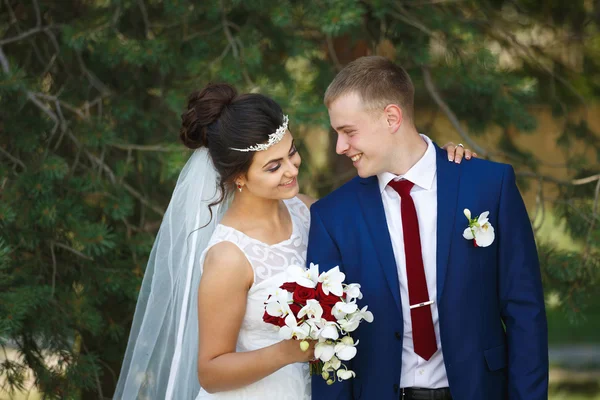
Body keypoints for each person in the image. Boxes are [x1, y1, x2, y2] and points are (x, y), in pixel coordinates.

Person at [113, 82, 474, 400]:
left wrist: (435, 163)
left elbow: (386, 216)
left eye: (291, 152)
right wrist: (292, 351)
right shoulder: (228, 256)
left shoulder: (307, 211)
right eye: (273, 166)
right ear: (239, 177)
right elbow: (211, 371)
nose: (291, 169)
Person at [308, 56, 548, 400]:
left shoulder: (487, 186)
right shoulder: (332, 216)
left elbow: (525, 311)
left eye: (348, 132)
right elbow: (326, 341)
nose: (340, 147)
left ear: (392, 117)